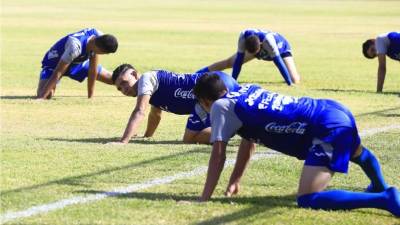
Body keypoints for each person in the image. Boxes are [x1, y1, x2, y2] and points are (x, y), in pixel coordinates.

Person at [193, 73, 400, 217]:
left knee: (308, 198)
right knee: (358, 153)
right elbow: (249, 142)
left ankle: (383, 198)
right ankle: (380, 186)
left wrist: (204, 198)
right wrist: (235, 181)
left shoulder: (220, 107)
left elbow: (218, 155)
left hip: (325, 126)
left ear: (205, 100)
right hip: (330, 108)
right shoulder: (245, 90)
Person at [109, 64, 240, 144]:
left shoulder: (146, 79)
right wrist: (147, 136)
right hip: (219, 81)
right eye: (119, 88)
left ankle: (236, 126)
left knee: (189, 139)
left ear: (135, 74)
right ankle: (237, 123)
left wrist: (123, 141)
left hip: (211, 88)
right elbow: (155, 114)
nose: (124, 89)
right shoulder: (152, 86)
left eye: (124, 83)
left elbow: (140, 111)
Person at [197, 28, 300, 85]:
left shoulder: (269, 41)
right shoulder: (243, 36)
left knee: (294, 79)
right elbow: (238, 61)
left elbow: (278, 63)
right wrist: (233, 82)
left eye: (256, 53)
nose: (256, 56)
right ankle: (198, 74)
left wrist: (289, 83)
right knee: (229, 62)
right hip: (256, 47)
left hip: (281, 50)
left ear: (260, 44)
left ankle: (290, 80)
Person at [37, 28, 118, 99]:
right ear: (99, 49)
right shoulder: (75, 47)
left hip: (78, 63)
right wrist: (41, 97)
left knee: (112, 79)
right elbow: (58, 72)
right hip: (55, 64)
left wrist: (90, 97)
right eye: (104, 53)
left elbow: (93, 70)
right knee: (47, 94)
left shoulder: (98, 36)